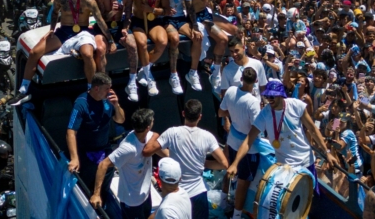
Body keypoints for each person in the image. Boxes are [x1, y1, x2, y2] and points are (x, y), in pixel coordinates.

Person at [228, 80, 340, 182]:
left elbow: (312, 129)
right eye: (267, 96)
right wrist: (235, 163)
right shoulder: (264, 114)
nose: (269, 99)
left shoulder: (296, 105)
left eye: (272, 96)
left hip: (306, 162)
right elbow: (249, 140)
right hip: (285, 167)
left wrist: (327, 153)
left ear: (281, 95)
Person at [18, 0, 111, 96]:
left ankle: (90, 88)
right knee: (34, 52)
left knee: (87, 54)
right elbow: (55, 13)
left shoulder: (88, 0)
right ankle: (24, 86)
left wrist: (110, 40)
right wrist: (51, 29)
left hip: (83, 32)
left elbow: (100, 20)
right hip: (64, 30)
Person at [143, 99, 229, 219]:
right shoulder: (208, 137)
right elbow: (224, 164)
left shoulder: (172, 132)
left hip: (176, 194)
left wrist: (155, 136)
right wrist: (203, 163)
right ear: (200, 116)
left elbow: (148, 150)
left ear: (183, 113)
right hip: (198, 194)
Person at [90, 109, 156, 219]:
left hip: (145, 194)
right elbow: (103, 165)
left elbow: (159, 145)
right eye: (152, 120)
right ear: (148, 127)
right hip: (132, 201)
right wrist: (96, 194)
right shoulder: (127, 148)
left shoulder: (149, 136)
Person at [219, 67, 262, 219]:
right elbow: (257, 128)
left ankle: (222, 203)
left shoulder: (230, 91)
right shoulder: (253, 102)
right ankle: (236, 216)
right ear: (256, 81)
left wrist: (233, 113)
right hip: (248, 147)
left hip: (232, 140)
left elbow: (221, 112)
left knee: (229, 170)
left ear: (241, 79)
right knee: (243, 184)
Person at [67, 73, 125, 183]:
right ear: (97, 88)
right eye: (107, 89)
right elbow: (71, 132)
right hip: (86, 152)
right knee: (87, 183)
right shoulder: (81, 103)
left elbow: (120, 120)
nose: (109, 91)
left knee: (105, 181)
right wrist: (74, 158)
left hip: (105, 149)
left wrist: (116, 106)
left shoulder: (108, 100)